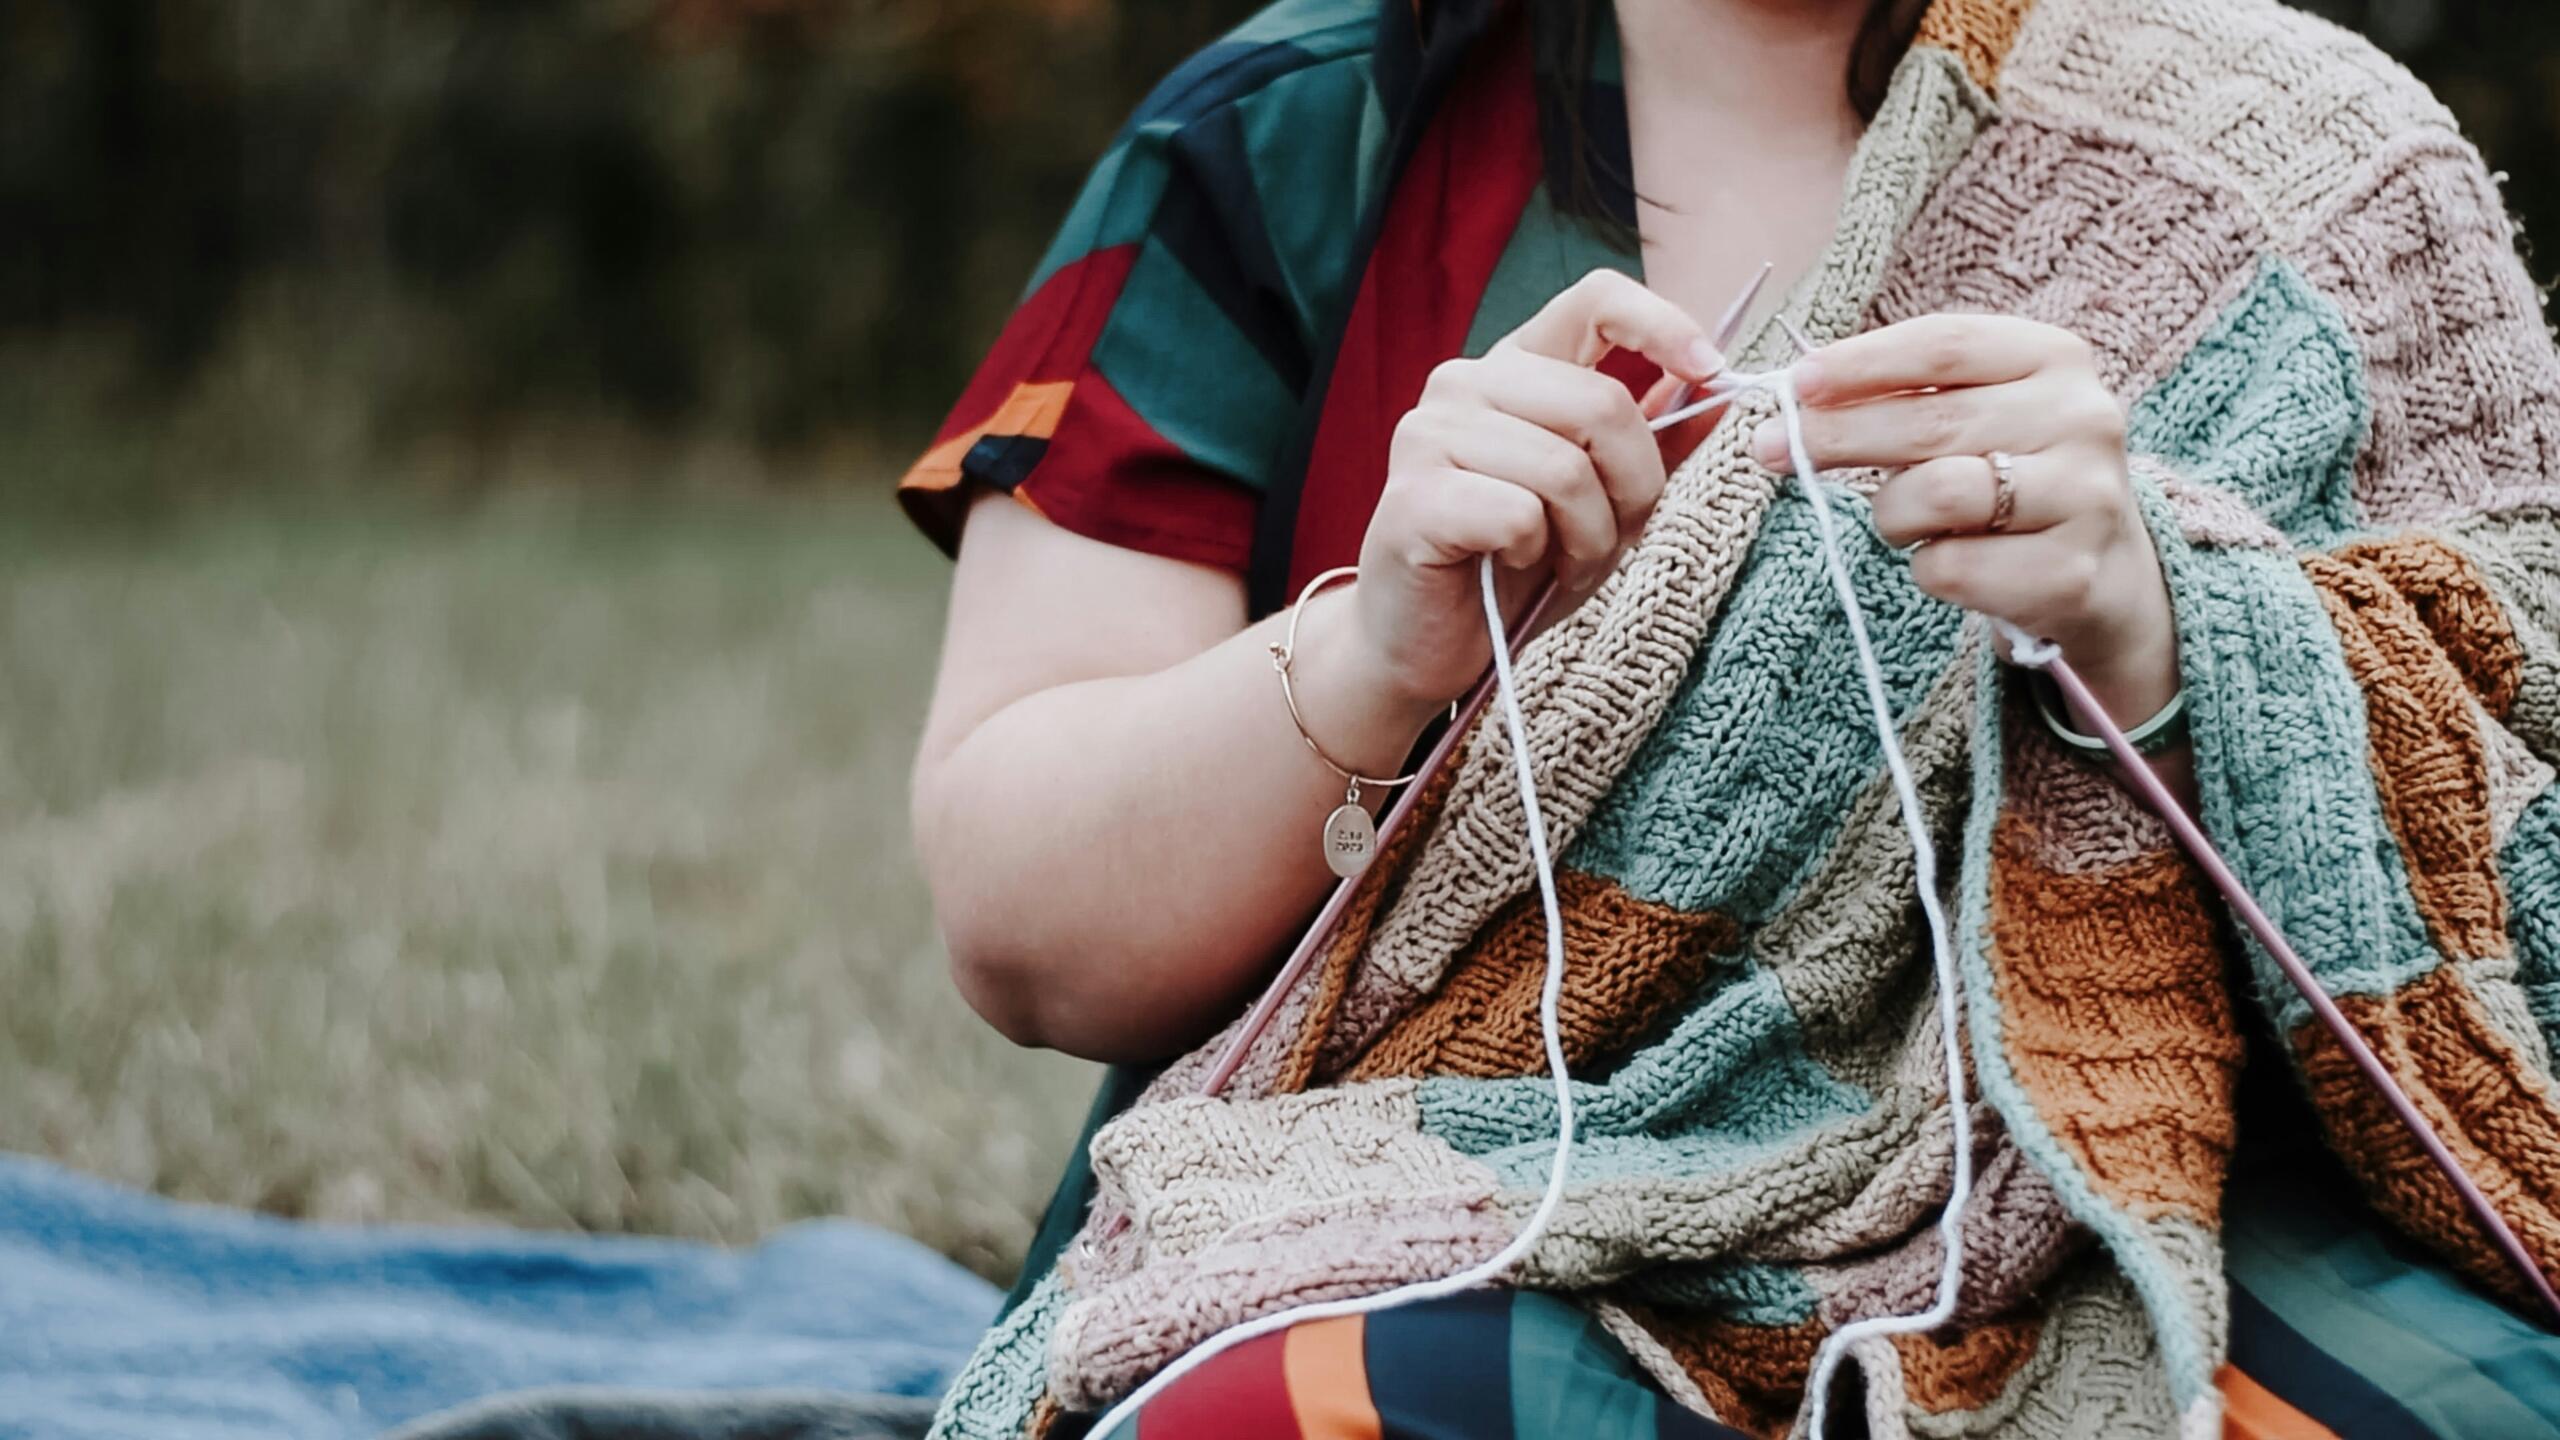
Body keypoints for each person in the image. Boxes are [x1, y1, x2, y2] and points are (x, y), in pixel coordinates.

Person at [904, 0, 2560, 1435]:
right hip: (1442, 1209)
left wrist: (2174, 634)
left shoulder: (2294, 172)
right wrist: (1373, 657)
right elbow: (1025, 926)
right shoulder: (1295, 134)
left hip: (2142, 1197)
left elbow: (2518, 802)